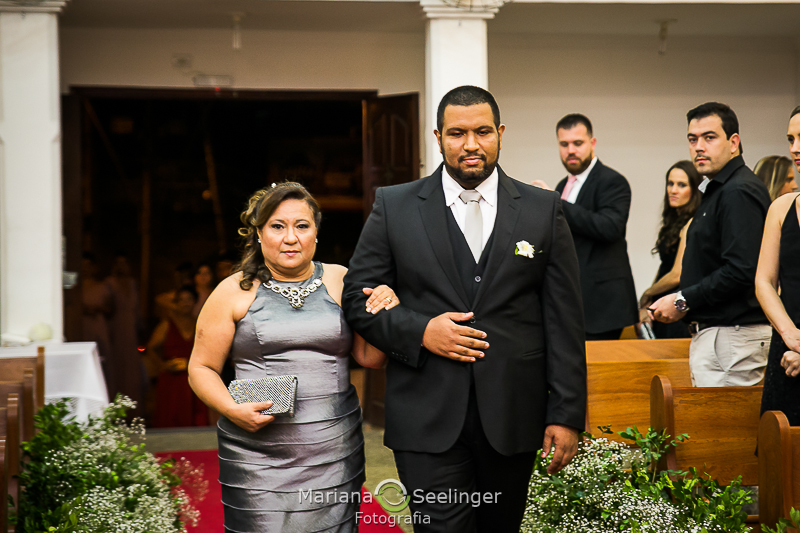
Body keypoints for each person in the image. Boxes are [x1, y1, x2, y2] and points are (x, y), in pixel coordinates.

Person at [342, 86, 586, 533]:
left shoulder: (542, 209)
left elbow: (564, 319)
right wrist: (420, 331)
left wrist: (566, 415)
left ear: (500, 133)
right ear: (438, 137)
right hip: (425, 414)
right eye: (457, 133)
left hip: (513, 415)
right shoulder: (395, 206)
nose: (471, 144)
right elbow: (358, 297)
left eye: (482, 132)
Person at [187, 182, 397, 531]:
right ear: (258, 233)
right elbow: (201, 367)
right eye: (277, 226)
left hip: (333, 447)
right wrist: (231, 409)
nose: (290, 238)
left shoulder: (341, 280)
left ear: (316, 232)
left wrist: (385, 310)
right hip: (257, 452)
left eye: (302, 226)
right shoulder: (232, 291)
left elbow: (370, 357)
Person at [651, 102, 771, 387]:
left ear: (734, 142)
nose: (699, 147)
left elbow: (741, 270)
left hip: (732, 338)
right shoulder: (718, 189)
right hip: (722, 339)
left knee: (723, 419)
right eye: (693, 139)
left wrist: (681, 301)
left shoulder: (738, 190)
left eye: (709, 137)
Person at [532, 114, 637, 340]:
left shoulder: (612, 181)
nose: (571, 150)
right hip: (571, 299)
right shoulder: (563, 185)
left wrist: (556, 202)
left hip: (603, 304)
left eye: (577, 143)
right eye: (564, 144)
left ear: (592, 143)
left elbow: (610, 227)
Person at [758, 106, 800, 425]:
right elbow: (764, 281)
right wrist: (792, 336)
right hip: (787, 346)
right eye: (790, 139)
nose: (795, 148)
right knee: (779, 443)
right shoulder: (781, 208)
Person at [637, 161, 702, 339]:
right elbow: (665, 265)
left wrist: (648, 292)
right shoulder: (674, 221)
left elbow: (676, 274)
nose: (673, 190)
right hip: (664, 303)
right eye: (670, 183)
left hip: (678, 306)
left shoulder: (692, 223)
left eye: (682, 185)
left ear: (694, 189)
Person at [147, 285, 208, 428]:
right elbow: (151, 348)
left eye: (189, 299)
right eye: (181, 300)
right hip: (172, 379)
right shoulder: (167, 324)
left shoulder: (200, 323)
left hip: (194, 377)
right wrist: (162, 365)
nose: (185, 303)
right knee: (170, 417)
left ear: (195, 301)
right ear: (176, 303)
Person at [105, 253, 143, 417]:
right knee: (117, 367)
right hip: (116, 326)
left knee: (132, 368)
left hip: (131, 327)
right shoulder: (109, 283)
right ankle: (117, 411)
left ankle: (133, 409)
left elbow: (137, 307)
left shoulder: (132, 283)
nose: (121, 266)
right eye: (118, 263)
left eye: (124, 263)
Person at [81, 253, 114, 394]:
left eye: (88, 265)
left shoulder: (103, 287)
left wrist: (97, 309)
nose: (85, 269)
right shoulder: (75, 287)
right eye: (83, 265)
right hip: (82, 326)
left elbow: (111, 309)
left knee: (102, 357)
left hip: (98, 325)